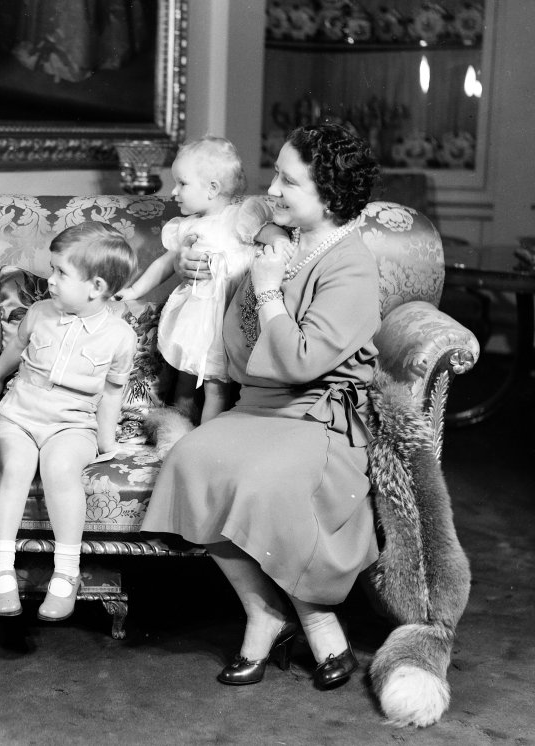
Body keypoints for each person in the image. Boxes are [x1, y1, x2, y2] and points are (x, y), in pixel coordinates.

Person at [141, 123, 381, 689]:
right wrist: (204, 269)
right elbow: (237, 330)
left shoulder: (351, 265)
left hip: (317, 417)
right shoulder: (272, 233)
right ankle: (262, 611)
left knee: (260, 479)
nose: (271, 189)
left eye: (288, 181)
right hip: (258, 406)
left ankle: (316, 620)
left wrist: (270, 290)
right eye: (274, 172)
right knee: (192, 460)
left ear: (330, 195)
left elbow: (300, 362)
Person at [0, 222, 138, 621]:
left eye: (60, 273)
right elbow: (16, 350)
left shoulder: (120, 336)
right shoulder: (39, 312)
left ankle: (66, 573)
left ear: (97, 287)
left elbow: (109, 394)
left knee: (60, 467)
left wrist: (107, 440)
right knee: (14, 465)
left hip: (72, 423)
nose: (49, 280)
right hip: (20, 414)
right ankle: (1, 568)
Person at [115, 137, 286, 422]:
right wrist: (134, 289)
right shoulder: (187, 227)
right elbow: (165, 263)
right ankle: (178, 432)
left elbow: (268, 232)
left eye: (182, 183)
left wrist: (280, 242)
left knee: (216, 388)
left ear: (212, 189)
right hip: (195, 319)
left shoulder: (240, 217)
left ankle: (205, 440)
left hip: (227, 319)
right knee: (185, 379)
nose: (173, 192)